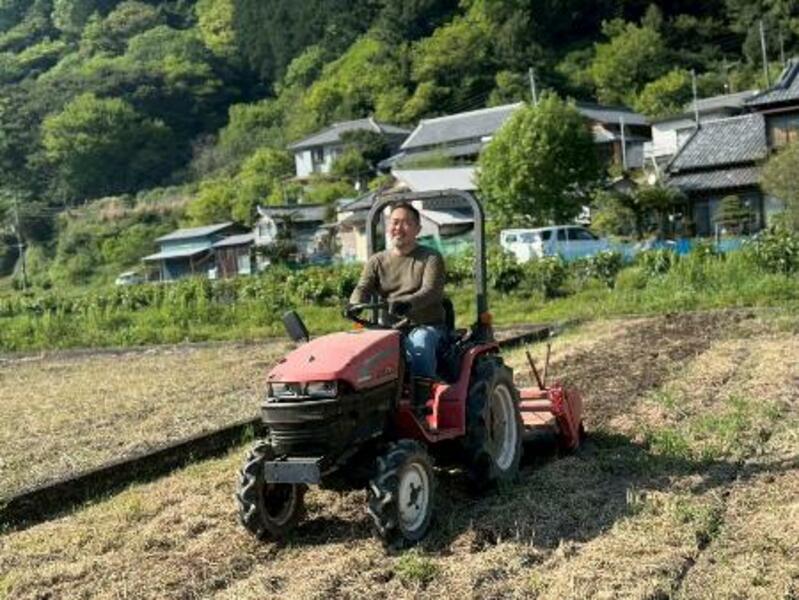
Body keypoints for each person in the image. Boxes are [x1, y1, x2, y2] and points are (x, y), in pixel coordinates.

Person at [348, 202, 446, 379]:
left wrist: (406, 303)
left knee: (420, 343)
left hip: (424, 325)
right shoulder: (377, 261)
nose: (398, 228)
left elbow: (431, 291)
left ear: (417, 229)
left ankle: (423, 390)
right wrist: (355, 302)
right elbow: (363, 287)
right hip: (386, 326)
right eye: (395, 222)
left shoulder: (430, 258)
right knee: (357, 348)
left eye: (406, 223)